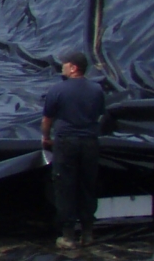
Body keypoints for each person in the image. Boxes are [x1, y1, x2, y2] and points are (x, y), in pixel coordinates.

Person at [42, 50, 106, 249]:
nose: (62, 67)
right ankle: (87, 233)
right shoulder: (97, 90)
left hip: (66, 142)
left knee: (65, 186)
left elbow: (47, 120)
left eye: (64, 64)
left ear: (73, 67)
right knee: (88, 185)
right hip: (89, 142)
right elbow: (100, 115)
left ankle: (68, 236)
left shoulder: (57, 90)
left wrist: (46, 138)